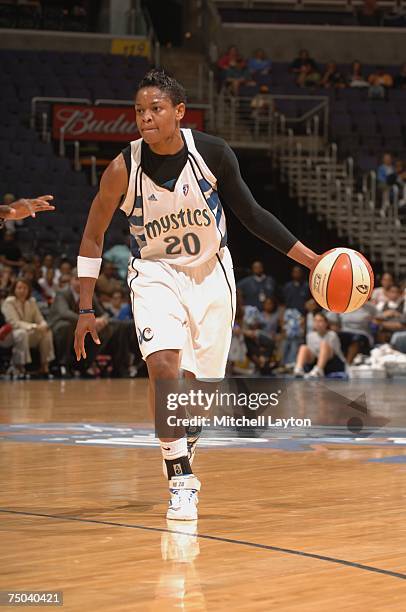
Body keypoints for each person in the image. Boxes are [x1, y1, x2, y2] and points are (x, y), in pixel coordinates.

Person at [74, 69, 319, 521]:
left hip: (211, 274)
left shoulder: (211, 153)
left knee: (201, 390)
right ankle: (181, 478)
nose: (145, 119)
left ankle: (186, 436)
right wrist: (86, 307)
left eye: (156, 110)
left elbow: (252, 214)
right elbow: (92, 237)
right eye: (140, 112)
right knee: (164, 366)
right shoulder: (122, 169)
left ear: (179, 112)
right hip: (154, 272)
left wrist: (313, 261)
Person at [49, 271, 132, 378]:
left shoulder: (89, 294)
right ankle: (63, 364)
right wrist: (89, 320)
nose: (80, 283)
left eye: (83, 280)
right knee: (66, 326)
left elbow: (104, 314)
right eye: (77, 279)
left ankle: (86, 364)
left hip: (83, 329)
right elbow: (64, 313)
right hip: (59, 328)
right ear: (71, 281)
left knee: (109, 327)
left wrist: (102, 320)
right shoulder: (62, 293)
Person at [1, 278, 55, 377]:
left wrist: (43, 325)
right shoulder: (9, 302)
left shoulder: (31, 301)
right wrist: (34, 326)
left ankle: (45, 366)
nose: (22, 290)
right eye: (19, 288)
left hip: (27, 332)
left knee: (47, 332)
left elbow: (39, 318)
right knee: (21, 333)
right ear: (14, 289)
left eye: (25, 288)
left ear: (29, 290)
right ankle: (19, 367)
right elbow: (14, 323)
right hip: (9, 335)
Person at [294, 312, 346, 379]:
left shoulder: (332, 335)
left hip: (332, 362)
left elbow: (337, 352)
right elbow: (312, 353)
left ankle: (319, 370)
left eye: (320, 321)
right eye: (315, 321)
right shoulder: (310, 336)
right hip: (315, 361)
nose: (317, 323)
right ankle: (298, 369)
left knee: (324, 344)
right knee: (303, 347)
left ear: (326, 323)